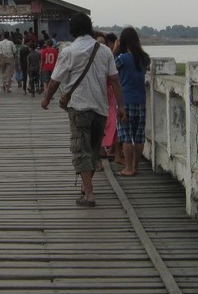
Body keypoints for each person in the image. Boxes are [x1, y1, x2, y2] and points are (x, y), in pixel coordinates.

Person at [40, 13, 124, 207]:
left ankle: (89, 193)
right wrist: (122, 106)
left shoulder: (69, 51)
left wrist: (46, 99)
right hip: (101, 108)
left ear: (72, 31)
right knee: (94, 150)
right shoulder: (104, 51)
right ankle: (87, 187)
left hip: (79, 107)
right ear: (90, 28)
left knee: (80, 149)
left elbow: (54, 81)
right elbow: (114, 80)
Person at [113, 27, 151, 176]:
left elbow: (110, 67)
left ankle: (128, 168)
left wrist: (115, 50)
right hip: (140, 100)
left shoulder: (122, 58)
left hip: (125, 100)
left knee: (127, 136)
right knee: (139, 135)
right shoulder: (144, 58)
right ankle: (136, 167)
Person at [98, 32, 119, 164]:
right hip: (97, 96)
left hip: (109, 96)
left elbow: (113, 78)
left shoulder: (108, 56)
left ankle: (113, 151)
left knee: (114, 122)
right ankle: (98, 159)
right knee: (96, 125)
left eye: (104, 44)